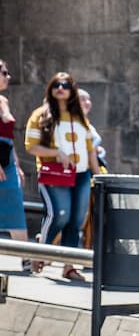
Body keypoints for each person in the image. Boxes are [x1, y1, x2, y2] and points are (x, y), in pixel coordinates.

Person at [24, 72, 101, 282]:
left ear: (72, 90)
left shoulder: (79, 118)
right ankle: (40, 253)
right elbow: (31, 146)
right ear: (50, 88)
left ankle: (69, 266)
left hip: (81, 174)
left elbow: (90, 151)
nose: (61, 88)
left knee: (76, 221)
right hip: (55, 173)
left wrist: (101, 177)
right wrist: (57, 154)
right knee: (59, 216)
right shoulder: (41, 114)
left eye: (65, 85)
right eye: (56, 84)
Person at [0, 60, 31, 269]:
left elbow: (8, 137)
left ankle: (26, 257)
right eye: (4, 72)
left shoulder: (4, 100)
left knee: (15, 207)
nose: (8, 76)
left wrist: (17, 165)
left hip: (7, 160)